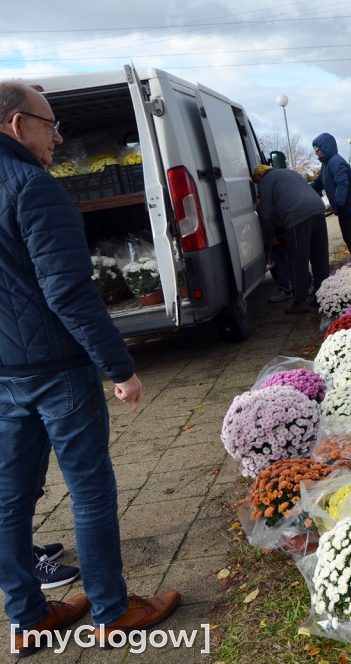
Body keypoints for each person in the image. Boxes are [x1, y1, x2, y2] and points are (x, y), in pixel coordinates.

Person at [0, 81, 180, 656]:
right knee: (90, 491)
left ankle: (28, 618)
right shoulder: (34, 188)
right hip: (57, 369)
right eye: (50, 125)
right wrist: (119, 367)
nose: (57, 138)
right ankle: (111, 610)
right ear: (15, 124)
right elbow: (70, 293)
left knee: (8, 499)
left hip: (4, 373)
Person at [252, 165, 330, 315]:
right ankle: (322, 297)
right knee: (319, 257)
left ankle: (299, 302)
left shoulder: (266, 181)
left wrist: (271, 236)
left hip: (296, 215)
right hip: (318, 209)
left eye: (256, 181)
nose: (258, 185)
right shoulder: (288, 172)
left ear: (260, 175)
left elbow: (265, 212)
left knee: (297, 260)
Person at [311, 133, 351, 260]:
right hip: (342, 208)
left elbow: (342, 183)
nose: (316, 153)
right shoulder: (326, 164)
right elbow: (319, 182)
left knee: (350, 237)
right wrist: (305, 188)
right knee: (347, 236)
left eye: (317, 149)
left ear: (325, 147)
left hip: (348, 207)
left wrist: (339, 203)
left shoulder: (336, 162)